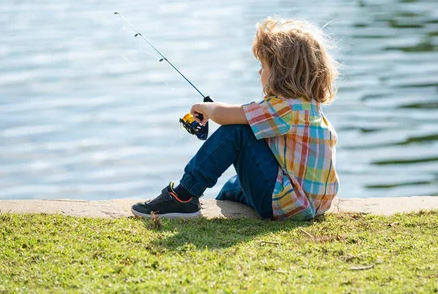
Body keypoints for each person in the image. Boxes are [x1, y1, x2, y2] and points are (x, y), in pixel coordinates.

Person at [131, 17, 340, 221]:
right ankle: (222, 202)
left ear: (281, 73)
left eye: (264, 67)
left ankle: (184, 195)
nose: (260, 71)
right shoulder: (310, 108)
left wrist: (205, 107)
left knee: (238, 131)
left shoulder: (283, 109)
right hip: (314, 204)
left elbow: (224, 116)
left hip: (288, 204)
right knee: (233, 186)